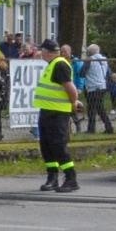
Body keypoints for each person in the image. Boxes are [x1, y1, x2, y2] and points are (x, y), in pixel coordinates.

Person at [32, 38, 80, 192]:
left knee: (59, 146)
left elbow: (71, 89)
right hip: (48, 111)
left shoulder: (59, 65)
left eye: (42, 51)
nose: (40, 53)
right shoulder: (52, 64)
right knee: (46, 146)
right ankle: (52, 178)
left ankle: (71, 178)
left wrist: (74, 103)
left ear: (47, 52)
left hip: (58, 113)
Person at [81, 42, 113, 134]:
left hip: (92, 87)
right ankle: (108, 127)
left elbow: (82, 73)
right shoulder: (104, 60)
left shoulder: (89, 60)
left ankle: (91, 129)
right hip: (102, 86)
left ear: (89, 52)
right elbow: (108, 73)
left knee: (92, 109)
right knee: (100, 108)